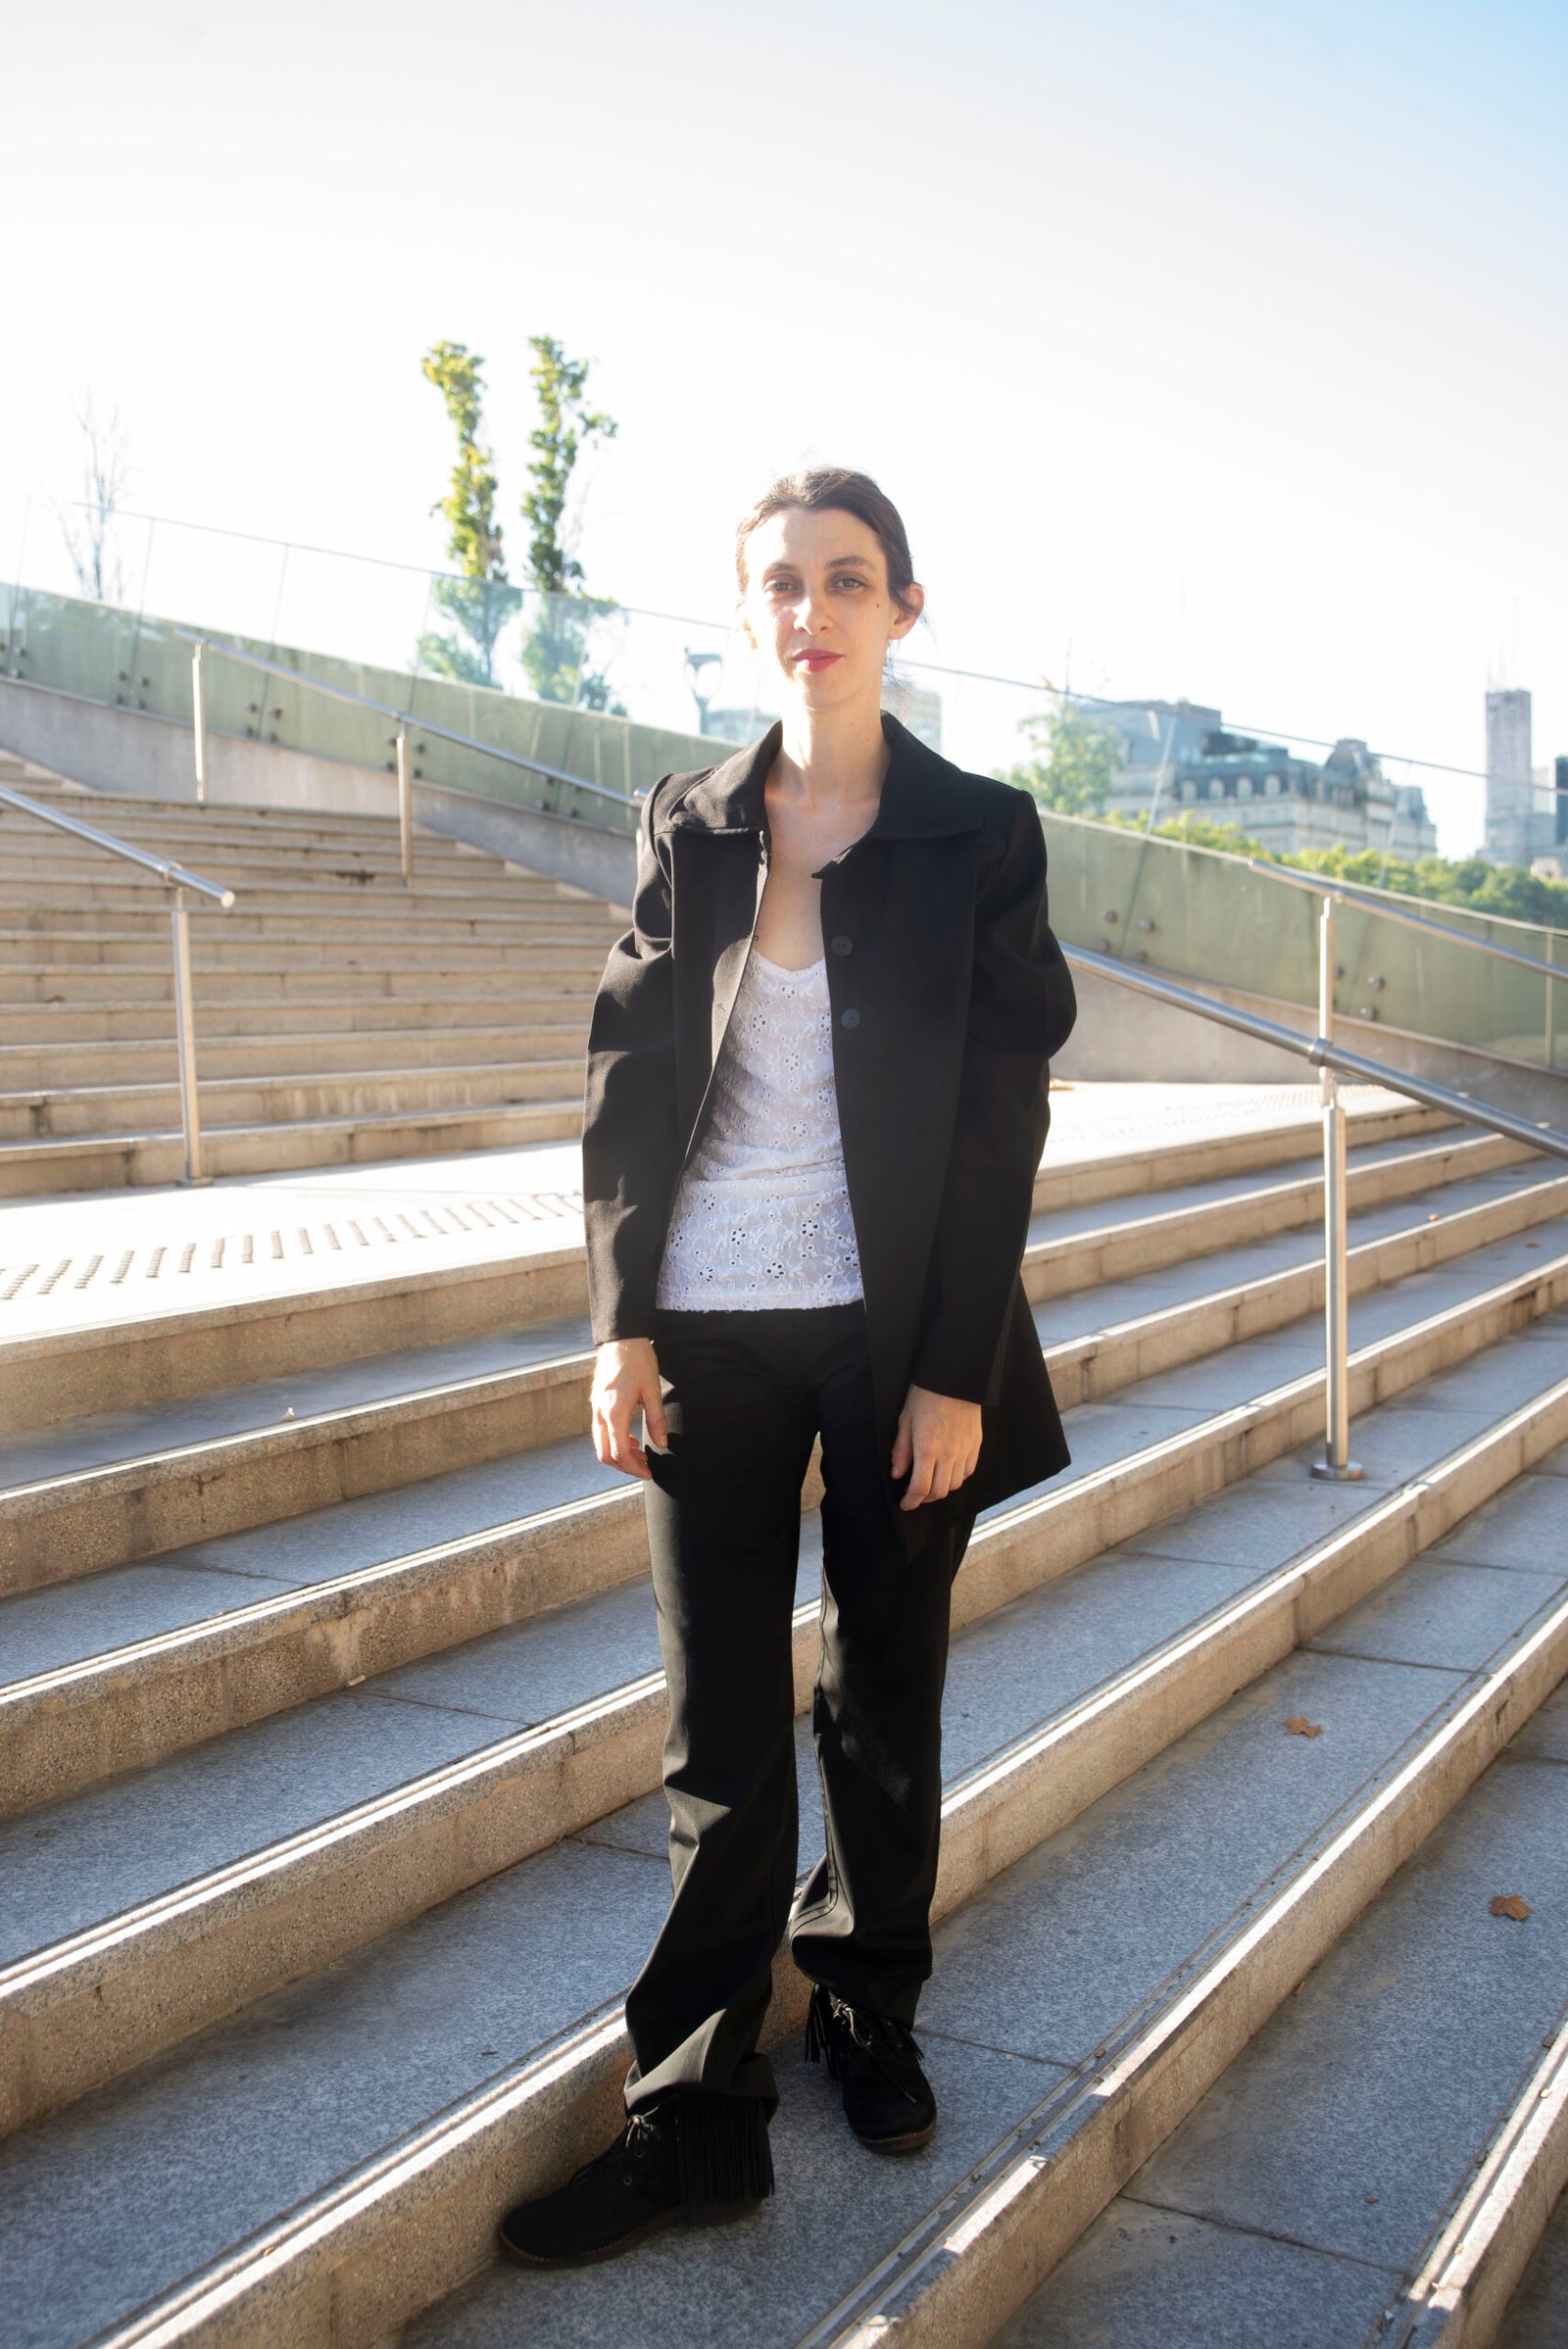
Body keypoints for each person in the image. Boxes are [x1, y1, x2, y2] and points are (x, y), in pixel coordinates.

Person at [501, 467, 1077, 2267]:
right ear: (748, 609)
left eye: (846, 579)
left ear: (903, 607)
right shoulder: (691, 818)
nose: (811, 610)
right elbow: (627, 1073)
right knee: (720, 1726)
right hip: (709, 1327)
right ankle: (692, 2110)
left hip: (899, 1337)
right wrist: (620, 1317)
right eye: (781, 583)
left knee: (883, 1692)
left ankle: (866, 2000)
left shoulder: (978, 832)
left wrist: (957, 1367)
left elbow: (1000, 1115)